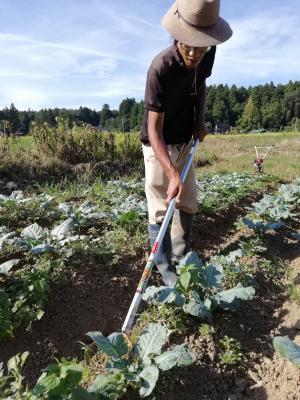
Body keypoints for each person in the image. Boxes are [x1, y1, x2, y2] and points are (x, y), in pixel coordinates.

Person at [140, 0, 232, 286]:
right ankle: (164, 266)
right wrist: (170, 173)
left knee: (188, 199)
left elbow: (201, 83)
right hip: (160, 145)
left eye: (201, 46)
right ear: (177, 36)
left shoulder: (208, 50)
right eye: (188, 44)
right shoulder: (161, 68)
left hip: (185, 138)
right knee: (161, 204)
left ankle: (181, 253)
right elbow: (154, 130)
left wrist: (199, 121)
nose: (194, 52)